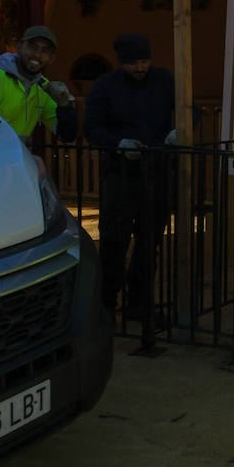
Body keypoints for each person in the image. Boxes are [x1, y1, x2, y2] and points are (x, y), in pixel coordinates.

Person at [84, 33, 176, 318]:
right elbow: (92, 127)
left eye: (144, 60)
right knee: (114, 240)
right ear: (121, 62)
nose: (140, 68)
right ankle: (106, 304)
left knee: (150, 242)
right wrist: (118, 145)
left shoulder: (165, 79)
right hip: (120, 174)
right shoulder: (106, 86)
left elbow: (190, 109)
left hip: (157, 171)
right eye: (133, 63)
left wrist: (179, 130)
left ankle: (138, 303)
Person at [0, 25, 78, 142]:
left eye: (45, 51)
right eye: (32, 47)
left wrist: (64, 105)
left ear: (51, 58)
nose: (37, 54)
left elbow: (67, 135)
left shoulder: (44, 88)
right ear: (19, 47)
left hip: (12, 157)